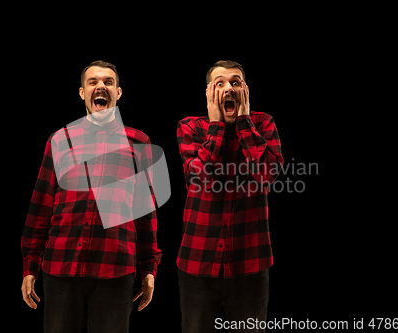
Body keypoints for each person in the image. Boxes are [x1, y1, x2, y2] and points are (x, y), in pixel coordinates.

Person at [21, 60, 162, 333]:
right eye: (93, 82)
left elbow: (146, 215)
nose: (101, 87)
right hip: (60, 268)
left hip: (115, 270)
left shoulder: (139, 143)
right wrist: (30, 265)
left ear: (118, 93)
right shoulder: (59, 140)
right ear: (82, 92)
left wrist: (149, 269)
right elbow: (41, 205)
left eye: (108, 82)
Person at [176, 60, 284, 333]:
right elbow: (197, 179)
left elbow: (268, 176)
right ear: (208, 93)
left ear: (245, 91)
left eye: (235, 83)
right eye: (220, 83)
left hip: (251, 265)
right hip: (198, 263)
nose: (228, 89)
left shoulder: (264, 123)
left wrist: (245, 123)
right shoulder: (191, 127)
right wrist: (216, 127)